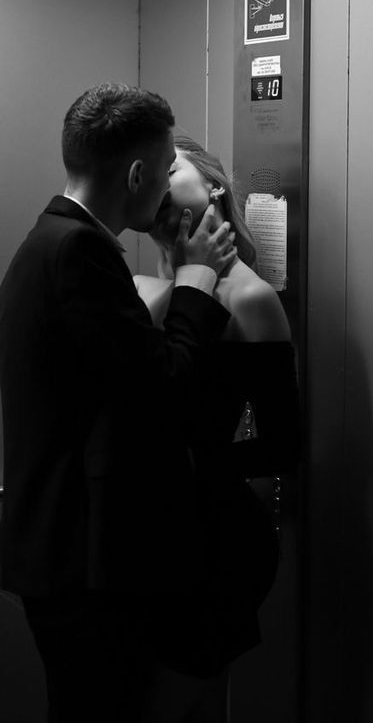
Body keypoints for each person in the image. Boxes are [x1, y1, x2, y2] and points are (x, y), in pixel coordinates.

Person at [0, 83, 239, 723]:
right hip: (82, 567)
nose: (165, 187)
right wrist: (197, 279)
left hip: (54, 551)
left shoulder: (47, 239)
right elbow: (163, 386)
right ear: (137, 174)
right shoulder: (81, 252)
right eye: (164, 171)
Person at [133, 135, 300, 720]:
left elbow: (285, 442)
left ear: (213, 189)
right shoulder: (139, 291)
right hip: (148, 538)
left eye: (169, 167)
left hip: (212, 545)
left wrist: (195, 463)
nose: (154, 178)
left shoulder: (250, 298)